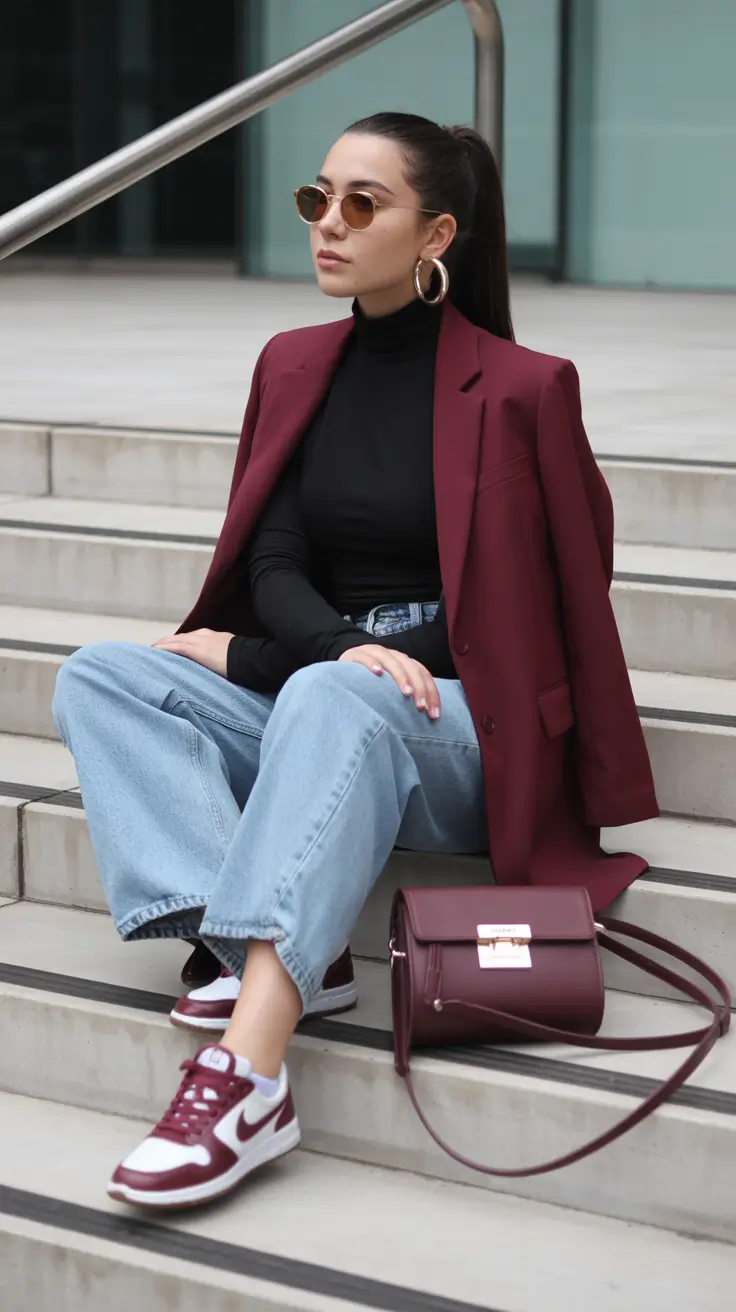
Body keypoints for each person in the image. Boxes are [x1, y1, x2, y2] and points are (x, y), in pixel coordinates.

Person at [52, 111, 658, 1212]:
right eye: (317, 198)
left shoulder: (523, 389)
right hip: (332, 689)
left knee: (337, 690)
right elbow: (273, 555)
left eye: (361, 205)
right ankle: (267, 950)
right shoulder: (295, 364)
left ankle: (245, 1079)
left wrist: (342, 663)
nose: (327, 224)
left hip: (466, 727)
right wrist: (336, 649)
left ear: (434, 235)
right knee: (104, 673)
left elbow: (534, 611)